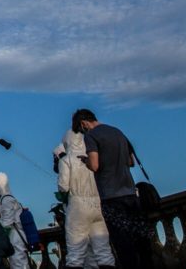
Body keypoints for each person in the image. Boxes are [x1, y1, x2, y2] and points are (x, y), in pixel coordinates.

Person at [74, 109, 153, 269]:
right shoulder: (117, 132)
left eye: (81, 130)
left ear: (83, 124)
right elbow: (130, 162)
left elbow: (95, 165)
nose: (82, 133)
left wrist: (86, 161)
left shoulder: (91, 136)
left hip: (111, 197)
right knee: (141, 239)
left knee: (123, 243)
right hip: (130, 193)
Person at [58, 129, 115, 269]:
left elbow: (63, 187)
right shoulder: (94, 158)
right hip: (98, 204)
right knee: (103, 251)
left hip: (78, 206)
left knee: (75, 252)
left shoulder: (66, 160)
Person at [0, 173, 28, 269]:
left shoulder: (7, 200)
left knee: (19, 264)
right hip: (10, 237)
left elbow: (6, 223)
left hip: (15, 236)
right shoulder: (0, 201)